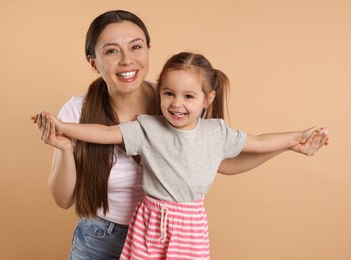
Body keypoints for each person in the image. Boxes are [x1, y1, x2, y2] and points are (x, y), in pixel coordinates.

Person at [33, 10, 329, 260]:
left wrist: (291, 144)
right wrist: (64, 144)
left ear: (148, 49)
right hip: (100, 237)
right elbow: (63, 198)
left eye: (136, 47)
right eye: (111, 50)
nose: (127, 60)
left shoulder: (176, 100)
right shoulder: (78, 111)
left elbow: (222, 160)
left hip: (172, 237)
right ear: (93, 61)